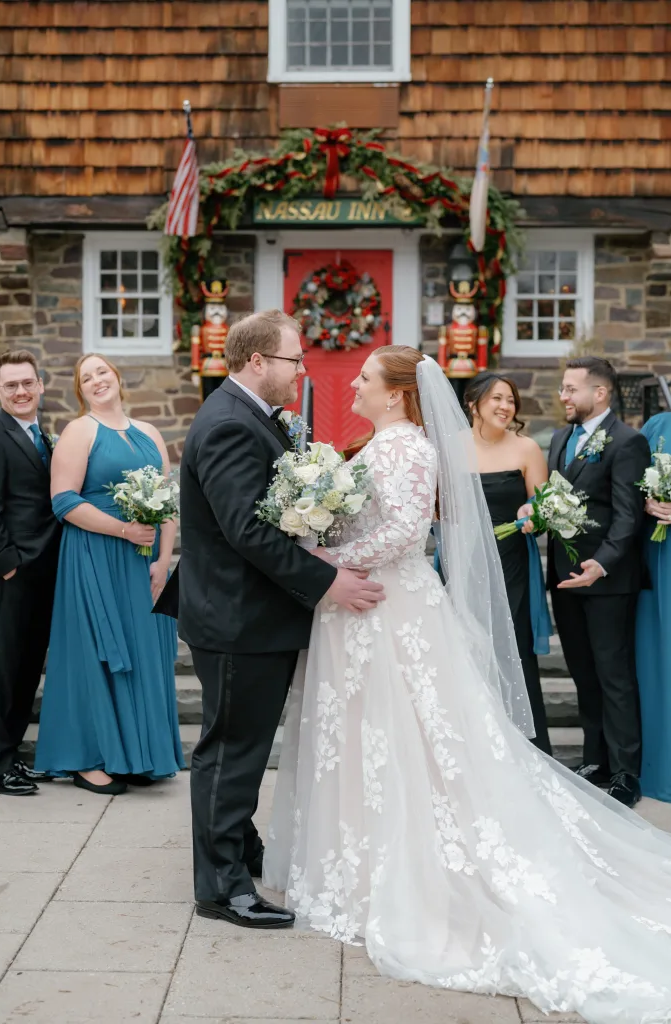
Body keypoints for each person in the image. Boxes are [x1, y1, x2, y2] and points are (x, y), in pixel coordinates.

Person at [265, 346, 671, 1024]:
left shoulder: (408, 450)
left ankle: (405, 869)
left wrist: (323, 558)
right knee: (374, 738)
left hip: (385, 606)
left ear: (395, 393)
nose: (355, 384)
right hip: (365, 608)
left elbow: (400, 533)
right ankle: (359, 858)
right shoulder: (383, 443)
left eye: (364, 377)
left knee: (416, 738)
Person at [179, 309, 386, 930]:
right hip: (239, 617)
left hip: (248, 614)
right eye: (295, 360)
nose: (303, 370)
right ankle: (221, 887)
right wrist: (328, 582)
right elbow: (245, 529)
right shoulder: (227, 425)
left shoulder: (248, 417)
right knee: (232, 749)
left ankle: (238, 852)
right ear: (257, 362)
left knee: (241, 743)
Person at [34, 354, 184, 795]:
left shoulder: (150, 432)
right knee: (94, 652)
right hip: (95, 555)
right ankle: (89, 758)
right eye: (86, 378)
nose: (97, 380)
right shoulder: (81, 431)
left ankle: (137, 756)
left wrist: (164, 560)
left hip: (145, 562)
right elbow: (62, 501)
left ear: (116, 377)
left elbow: (167, 501)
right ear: (81, 391)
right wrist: (122, 528)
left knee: (143, 652)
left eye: (102, 371)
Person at [530, 357, 649, 808]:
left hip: (607, 580)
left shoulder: (627, 441)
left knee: (613, 675)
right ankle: (594, 759)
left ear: (599, 393)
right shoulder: (561, 438)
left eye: (569, 389)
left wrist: (602, 562)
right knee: (582, 672)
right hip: (565, 576)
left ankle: (625, 771)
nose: (562, 396)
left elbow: (627, 516)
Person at [465, 371, 552, 755]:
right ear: (473, 404)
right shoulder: (449, 447)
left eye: (511, 400)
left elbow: (544, 508)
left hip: (512, 564)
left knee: (513, 652)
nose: (505, 406)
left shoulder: (527, 449)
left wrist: (535, 513)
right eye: (497, 399)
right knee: (466, 652)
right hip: (463, 564)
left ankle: (527, 750)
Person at [0, 350, 61, 795]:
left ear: (40, 385)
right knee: (2, 669)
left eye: (27, 383)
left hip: (44, 573)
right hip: (11, 576)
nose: (20, 391)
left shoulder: (42, 437)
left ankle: (11, 755)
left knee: (27, 668)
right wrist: (7, 563)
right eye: (10, 385)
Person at [635, 411, 671, 802]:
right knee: (655, 658)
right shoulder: (658, 426)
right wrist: (648, 503)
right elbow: (634, 478)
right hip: (657, 553)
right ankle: (656, 767)